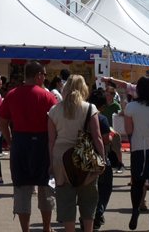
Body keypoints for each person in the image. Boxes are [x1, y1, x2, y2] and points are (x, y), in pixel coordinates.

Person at [0, 61, 58, 232]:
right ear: (38, 75)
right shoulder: (48, 96)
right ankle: (46, 228)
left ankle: (26, 229)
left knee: (22, 188)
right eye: (44, 75)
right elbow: (54, 123)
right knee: (45, 187)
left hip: (20, 142)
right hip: (42, 143)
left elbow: (3, 122)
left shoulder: (11, 94)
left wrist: (10, 141)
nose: (45, 78)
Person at [47, 75, 104, 232]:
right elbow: (97, 136)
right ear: (84, 88)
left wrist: (51, 163)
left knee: (65, 199)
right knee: (89, 199)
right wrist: (102, 159)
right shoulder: (90, 108)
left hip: (61, 159)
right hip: (85, 158)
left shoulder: (54, 110)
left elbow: (51, 140)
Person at [123, 76, 149, 230]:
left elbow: (129, 130)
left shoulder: (131, 107)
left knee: (137, 182)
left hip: (138, 148)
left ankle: (135, 209)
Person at [88, 88, 114, 230]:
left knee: (87, 189)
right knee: (105, 187)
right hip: (98, 156)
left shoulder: (82, 115)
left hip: (82, 156)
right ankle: (98, 211)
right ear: (102, 106)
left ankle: (86, 215)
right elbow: (104, 139)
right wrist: (111, 136)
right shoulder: (101, 118)